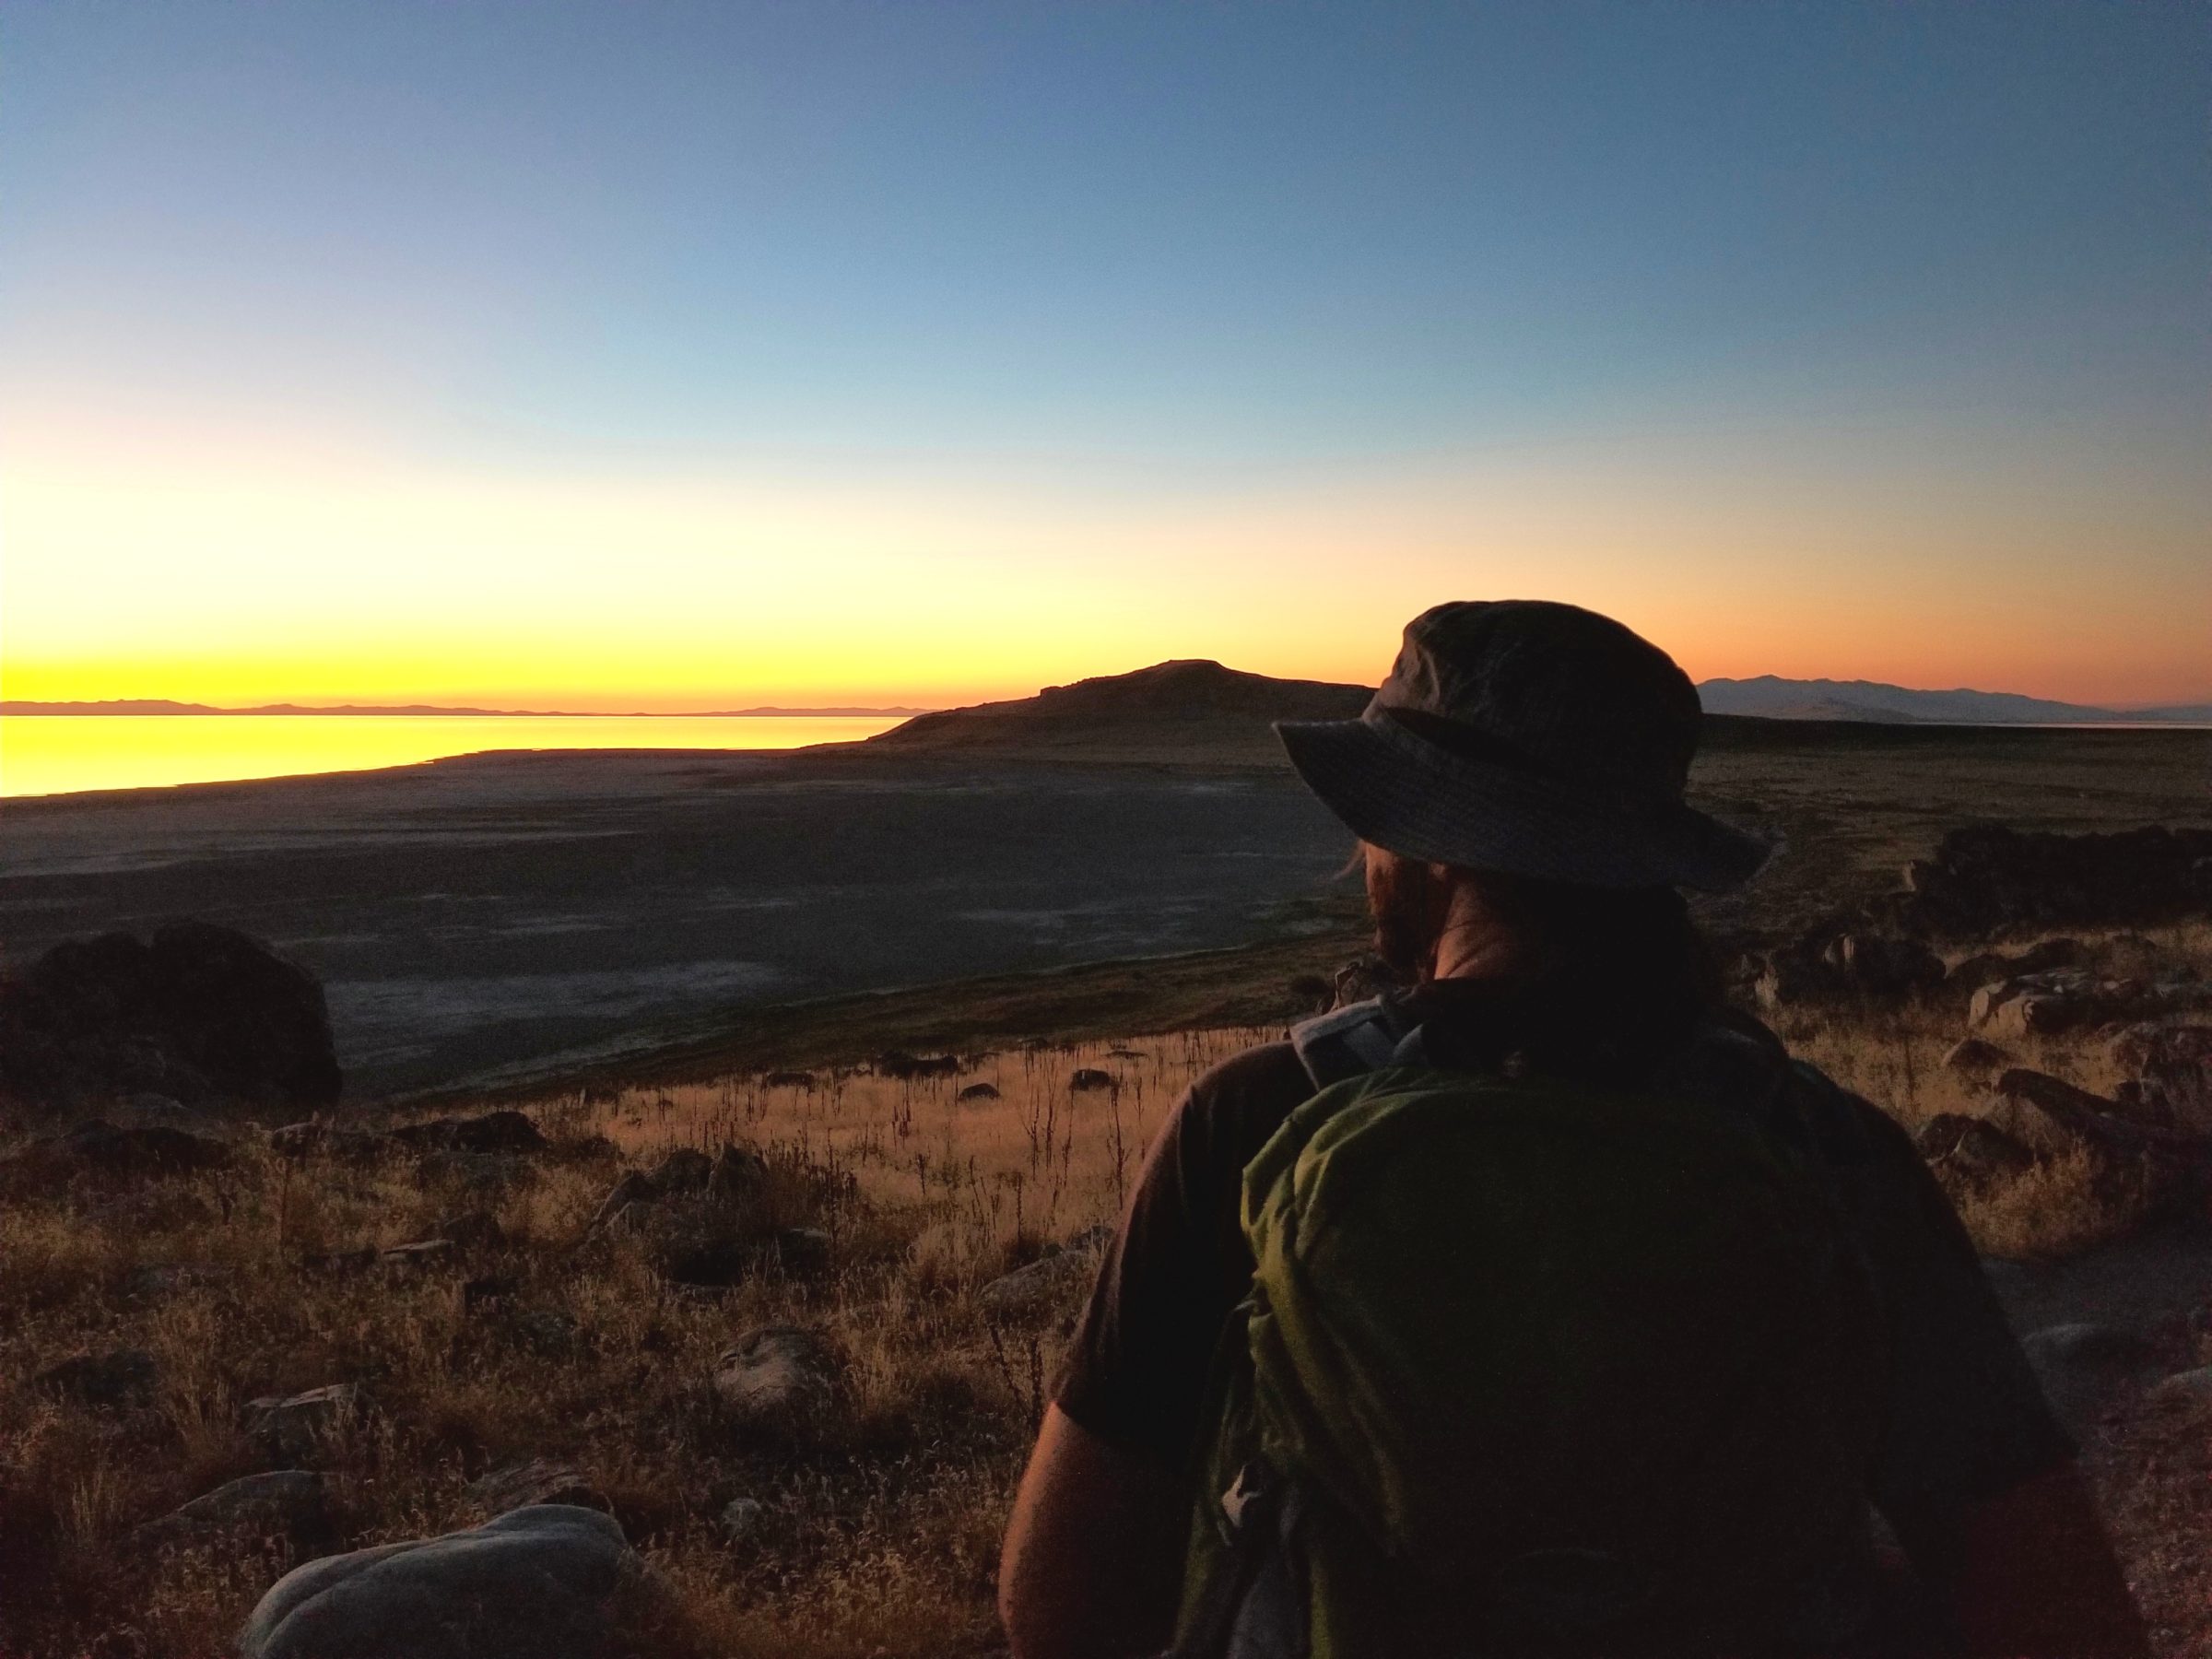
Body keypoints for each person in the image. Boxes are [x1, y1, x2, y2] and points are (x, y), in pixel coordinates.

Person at [999, 601, 2149, 1659]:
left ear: (1436, 842)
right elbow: (2048, 1598)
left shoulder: (1251, 1123)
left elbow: (1056, 1598)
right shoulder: (1823, 1147)